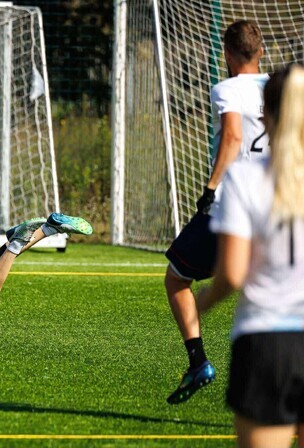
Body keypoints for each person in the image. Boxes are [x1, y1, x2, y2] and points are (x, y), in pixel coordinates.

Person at [196, 64, 304, 448]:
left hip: (267, 341)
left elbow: (232, 273)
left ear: (266, 115)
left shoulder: (244, 177)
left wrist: (204, 301)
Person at [164, 20, 270, 404]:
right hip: (276, 207)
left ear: (226, 53)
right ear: (261, 51)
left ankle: (198, 362)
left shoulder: (227, 88)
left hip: (232, 206)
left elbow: (233, 136)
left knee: (177, 278)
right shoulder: (281, 88)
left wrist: (209, 189)